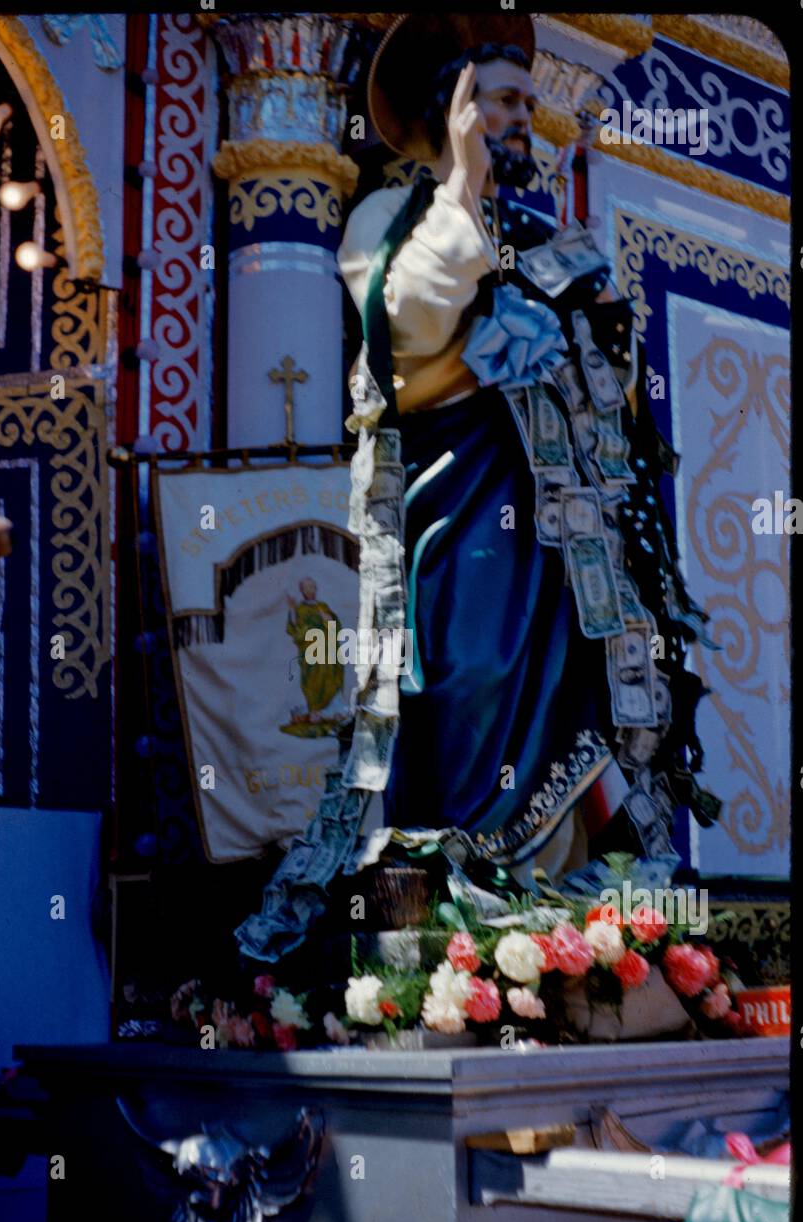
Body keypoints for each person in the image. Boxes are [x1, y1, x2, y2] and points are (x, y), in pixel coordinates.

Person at [234, 15, 719, 963]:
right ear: (449, 111)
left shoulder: (548, 234)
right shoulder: (392, 219)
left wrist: (598, 351)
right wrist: (459, 190)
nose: (520, 119)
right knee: (467, 674)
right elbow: (407, 339)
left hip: (564, 534)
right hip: (460, 507)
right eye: (500, 100)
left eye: (525, 103)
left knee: (583, 699)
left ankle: (543, 927)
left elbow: (617, 397)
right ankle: (462, 903)